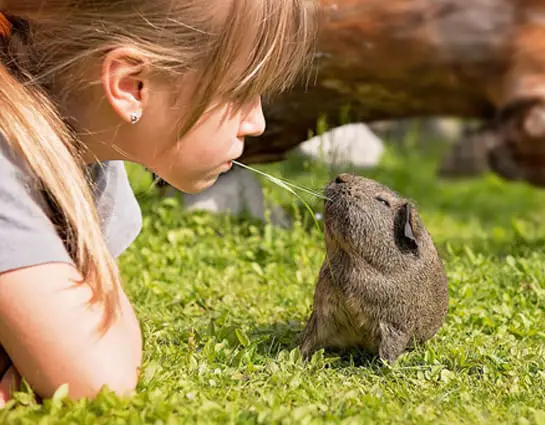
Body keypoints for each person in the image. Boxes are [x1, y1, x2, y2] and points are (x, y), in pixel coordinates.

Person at [0, 0, 316, 406]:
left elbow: (91, 334)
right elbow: (99, 376)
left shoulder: (91, 165)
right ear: (133, 86)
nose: (257, 122)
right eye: (242, 92)